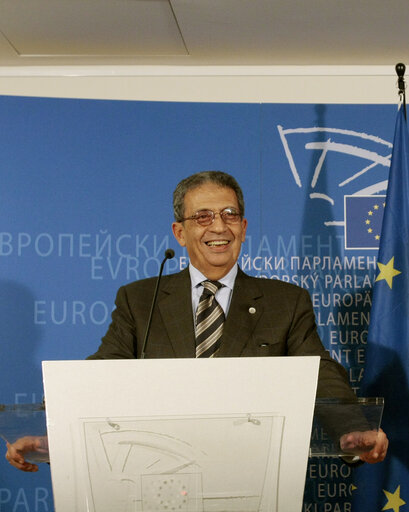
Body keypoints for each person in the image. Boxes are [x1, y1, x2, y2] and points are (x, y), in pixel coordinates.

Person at [7, 170, 388, 472]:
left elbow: (318, 371)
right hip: (157, 474)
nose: (218, 227)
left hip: (255, 474)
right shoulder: (141, 300)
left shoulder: (284, 302)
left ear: (243, 226)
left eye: (229, 215)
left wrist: (351, 428)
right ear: (180, 232)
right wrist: (47, 432)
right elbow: (104, 372)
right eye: (202, 217)